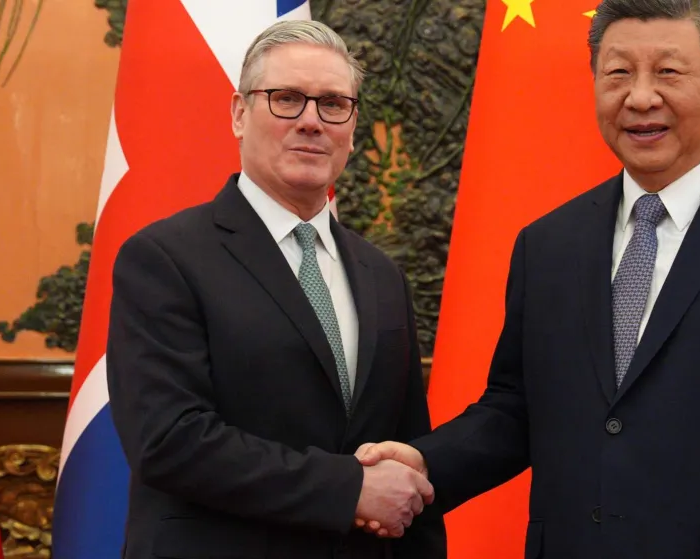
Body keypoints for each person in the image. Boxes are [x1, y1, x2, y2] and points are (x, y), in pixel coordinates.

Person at [356, 0, 700, 557]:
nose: (641, 97)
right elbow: (517, 407)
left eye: (668, 71)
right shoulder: (547, 244)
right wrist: (427, 463)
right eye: (618, 73)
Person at [105, 20, 445, 559]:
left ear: (352, 129)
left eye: (334, 104)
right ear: (239, 114)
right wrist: (348, 488)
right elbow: (168, 441)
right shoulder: (163, 258)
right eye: (286, 99)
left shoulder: (382, 275)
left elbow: (406, 453)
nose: (312, 121)